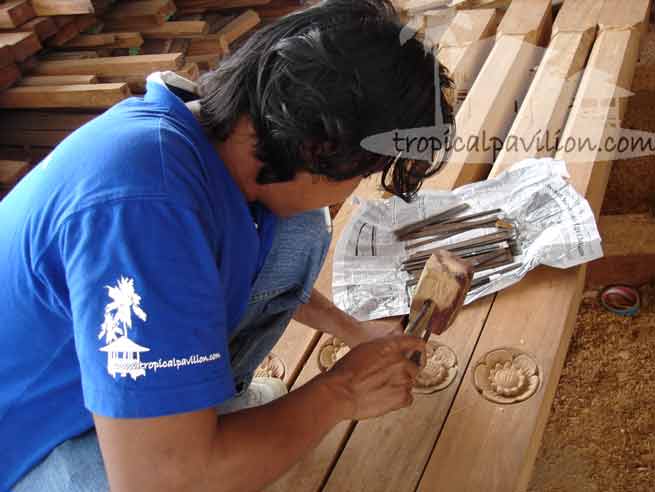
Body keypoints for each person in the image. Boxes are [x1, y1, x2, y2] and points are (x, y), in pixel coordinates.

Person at [0, 0, 454, 490]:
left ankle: (200, 416)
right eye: (362, 173)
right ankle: (197, 434)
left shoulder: (212, 140)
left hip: (97, 385)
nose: (353, 188)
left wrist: (351, 330)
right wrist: (340, 392)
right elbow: (160, 483)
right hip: (26, 446)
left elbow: (261, 267)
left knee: (300, 228)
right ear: (317, 147)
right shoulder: (147, 210)